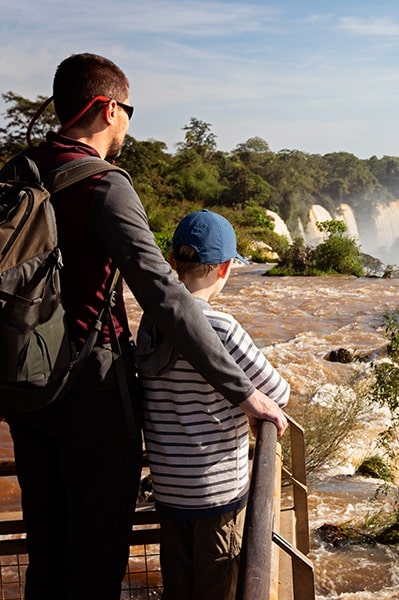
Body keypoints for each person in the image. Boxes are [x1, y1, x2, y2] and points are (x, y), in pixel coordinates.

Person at [4, 53, 287, 600]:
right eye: (129, 110)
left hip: (22, 389)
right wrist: (245, 392)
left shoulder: (20, 172)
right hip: (89, 397)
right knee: (94, 555)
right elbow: (166, 298)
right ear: (109, 108)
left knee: (48, 551)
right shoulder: (102, 185)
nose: (129, 123)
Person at [135, 210, 290, 600]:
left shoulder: (151, 324)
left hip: (169, 492)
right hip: (216, 494)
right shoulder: (220, 326)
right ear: (224, 269)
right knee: (217, 587)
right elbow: (278, 391)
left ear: (173, 261)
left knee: (179, 589)